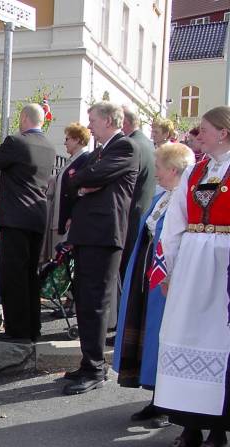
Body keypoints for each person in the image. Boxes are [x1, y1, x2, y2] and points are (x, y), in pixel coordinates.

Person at [152, 106, 230, 447]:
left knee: (217, 343)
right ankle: (188, 427)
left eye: (204, 130)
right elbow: (176, 220)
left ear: (224, 133)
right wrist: (171, 268)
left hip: (222, 269)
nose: (198, 135)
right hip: (192, 268)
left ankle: (217, 431)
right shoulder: (197, 170)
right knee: (181, 338)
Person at [114, 143, 195, 428]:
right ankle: (154, 396)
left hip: (167, 279)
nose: (156, 173)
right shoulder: (163, 196)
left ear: (173, 170)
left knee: (162, 335)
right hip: (148, 273)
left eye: (159, 168)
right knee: (148, 333)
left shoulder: (184, 199)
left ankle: (167, 403)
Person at [64, 101, 140, 395]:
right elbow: (75, 179)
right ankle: (87, 362)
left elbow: (87, 177)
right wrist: (84, 183)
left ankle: (95, 368)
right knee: (84, 300)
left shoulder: (124, 147)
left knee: (95, 303)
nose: (89, 124)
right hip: (89, 234)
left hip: (104, 235)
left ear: (109, 120)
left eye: (92, 119)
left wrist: (86, 182)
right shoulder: (100, 151)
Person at [0, 104, 56, 342]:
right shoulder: (50, 147)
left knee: (13, 275)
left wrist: (1, 145)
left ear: (23, 119)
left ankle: (17, 331)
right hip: (37, 216)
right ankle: (33, 328)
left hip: (16, 217)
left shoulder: (17, 142)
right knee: (30, 274)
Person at [120, 105, 157, 280]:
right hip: (142, 211)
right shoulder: (148, 144)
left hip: (129, 215)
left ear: (124, 122)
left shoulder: (130, 145)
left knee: (123, 270)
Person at [51, 123, 91, 247]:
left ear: (77, 139)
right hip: (59, 219)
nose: (65, 143)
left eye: (67, 139)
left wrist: (72, 216)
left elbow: (82, 192)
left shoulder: (86, 159)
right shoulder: (71, 160)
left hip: (68, 221)